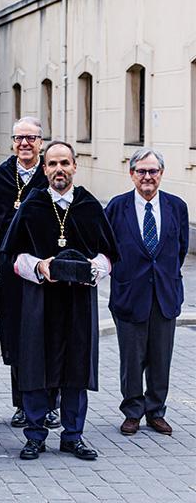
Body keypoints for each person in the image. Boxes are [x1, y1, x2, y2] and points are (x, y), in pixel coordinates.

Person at [1, 141, 118, 461]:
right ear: (44, 169)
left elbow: (109, 254)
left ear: (75, 167)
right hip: (40, 301)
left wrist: (94, 269)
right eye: (52, 164)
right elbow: (12, 254)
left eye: (64, 163)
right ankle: (35, 435)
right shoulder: (33, 203)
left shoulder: (90, 206)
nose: (58, 170)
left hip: (78, 301)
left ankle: (73, 435)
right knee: (37, 366)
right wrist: (38, 267)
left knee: (76, 369)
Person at [0, 117, 57, 429]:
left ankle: (51, 404)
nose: (25, 143)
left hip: (46, 269)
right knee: (17, 336)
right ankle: (21, 404)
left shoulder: (50, 174)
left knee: (50, 334)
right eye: (19, 138)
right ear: (12, 142)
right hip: (11, 272)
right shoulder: (0, 179)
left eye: (31, 138)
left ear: (40, 142)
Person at [104, 148, 188, 436]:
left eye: (153, 171)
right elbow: (106, 248)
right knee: (131, 358)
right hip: (130, 294)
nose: (148, 176)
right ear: (132, 174)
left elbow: (180, 248)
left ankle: (156, 411)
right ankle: (132, 411)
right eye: (142, 171)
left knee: (160, 357)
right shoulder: (117, 207)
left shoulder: (177, 207)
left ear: (162, 174)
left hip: (165, 294)